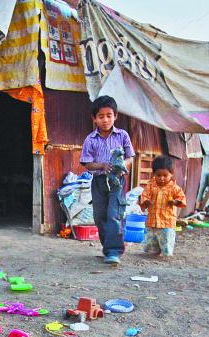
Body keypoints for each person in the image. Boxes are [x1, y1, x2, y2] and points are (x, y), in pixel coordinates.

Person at [80, 95, 135, 264]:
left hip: (117, 182)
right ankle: (108, 247)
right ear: (94, 119)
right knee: (100, 217)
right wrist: (102, 166)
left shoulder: (122, 135)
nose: (105, 120)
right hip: (99, 183)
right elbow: (87, 163)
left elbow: (130, 158)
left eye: (109, 115)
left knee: (114, 215)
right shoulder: (90, 139)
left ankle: (114, 251)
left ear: (115, 116)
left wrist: (121, 166)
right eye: (101, 116)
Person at [140, 155, 187, 257]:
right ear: (153, 174)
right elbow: (144, 196)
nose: (161, 178)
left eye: (165, 175)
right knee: (151, 243)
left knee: (166, 243)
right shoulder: (150, 186)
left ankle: (166, 255)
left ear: (171, 174)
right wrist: (146, 202)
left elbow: (182, 199)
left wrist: (175, 202)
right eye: (158, 175)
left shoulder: (175, 188)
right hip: (152, 222)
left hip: (167, 223)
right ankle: (153, 253)